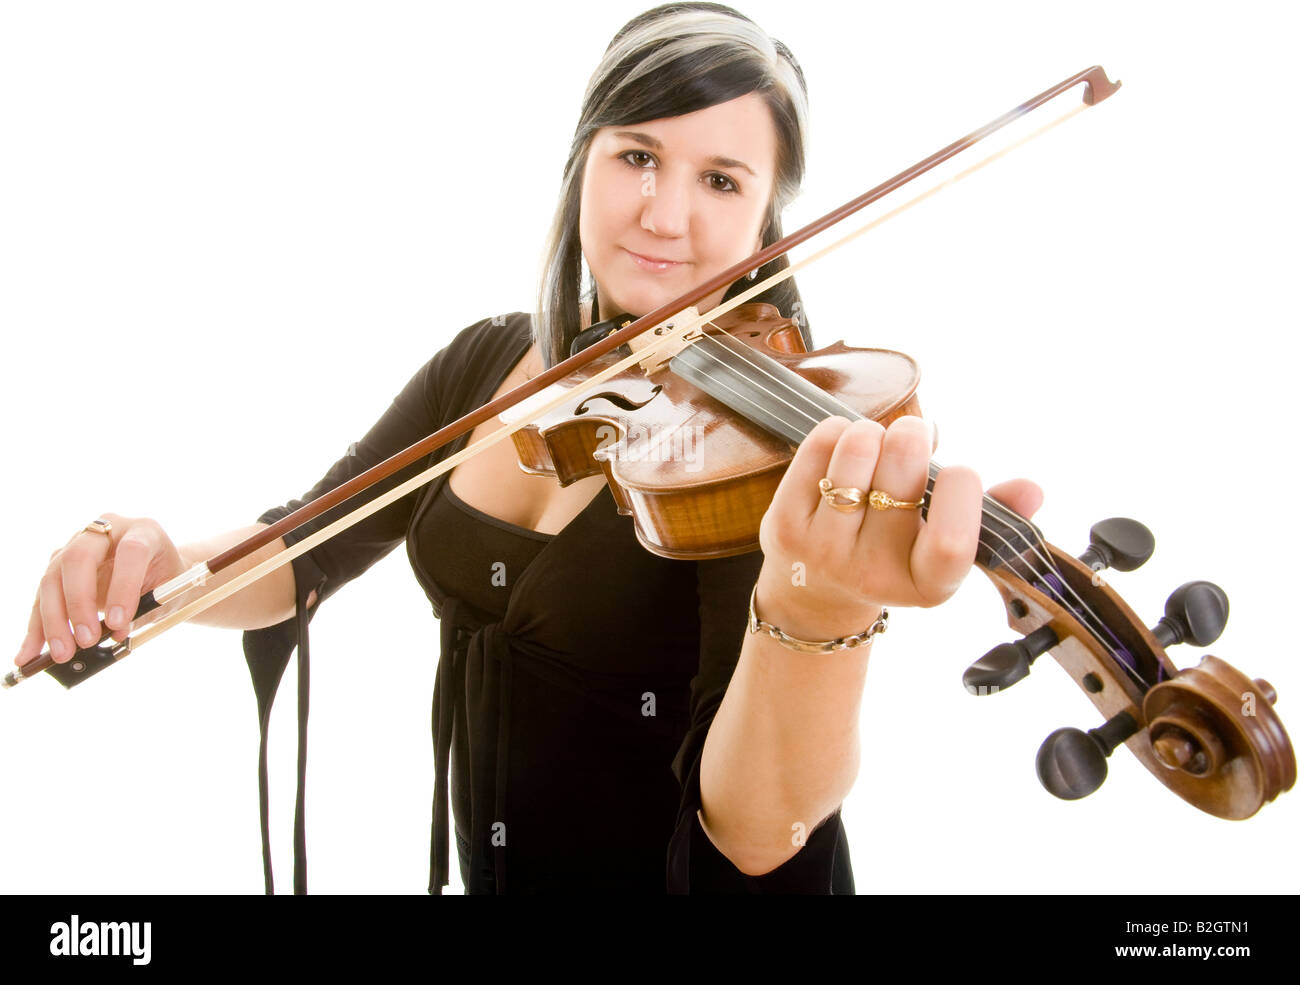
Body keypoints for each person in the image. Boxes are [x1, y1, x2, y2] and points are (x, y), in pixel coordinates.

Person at [14, 2, 1040, 893]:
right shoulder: (491, 362)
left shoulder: (770, 458)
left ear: (769, 213)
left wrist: (817, 610)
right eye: (636, 155)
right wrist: (149, 573)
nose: (664, 214)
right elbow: (304, 552)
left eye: (721, 180)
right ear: (582, 161)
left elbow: (757, 832)